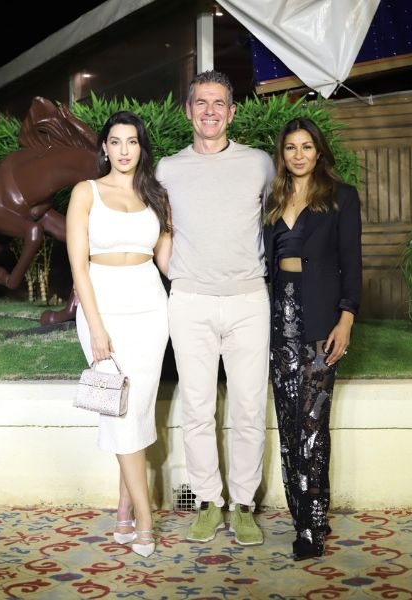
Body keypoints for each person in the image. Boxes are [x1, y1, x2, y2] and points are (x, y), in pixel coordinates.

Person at [155, 70, 274, 546]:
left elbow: (275, 220)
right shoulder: (167, 169)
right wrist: (175, 274)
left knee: (248, 406)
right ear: (188, 110)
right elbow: (161, 227)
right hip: (190, 301)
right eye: (201, 102)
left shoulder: (259, 164)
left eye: (219, 103)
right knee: (198, 407)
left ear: (232, 111)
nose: (210, 111)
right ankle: (208, 501)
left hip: (248, 299)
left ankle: (243, 505)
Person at [67, 111, 171, 558]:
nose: (124, 150)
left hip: (151, 308)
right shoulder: (86, 192)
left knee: (136, 410)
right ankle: (145, 518)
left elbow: (167, 262)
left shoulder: (157, 196)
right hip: (103, 307)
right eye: (116, 141)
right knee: (120, 410)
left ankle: (125, 507)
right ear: (104, 148)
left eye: (132, 141)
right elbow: (78, 265)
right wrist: (96, 326)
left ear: (141, 148)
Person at [263, 118, 363, 561]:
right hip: (278, 318)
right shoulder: (273, 198)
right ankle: (302, 514)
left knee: (312, 423)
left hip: (322, 319)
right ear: (282, 155)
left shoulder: (341, 197)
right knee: (289, 423)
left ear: (318, 152)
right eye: (291, 148)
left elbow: (352, 263)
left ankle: (312, 525)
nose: (299, 155)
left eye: (306, 147)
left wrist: (346, 319)